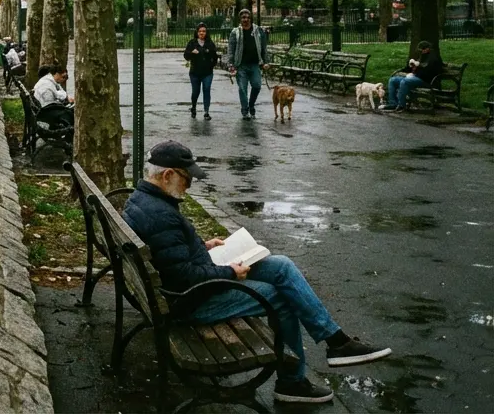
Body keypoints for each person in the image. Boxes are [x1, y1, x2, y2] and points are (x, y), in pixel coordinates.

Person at [123, 140, 392, 404]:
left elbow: (168, 253)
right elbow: (184, 277)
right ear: (168, 175)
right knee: (280, 297)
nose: (189, 185)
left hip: (181, 289)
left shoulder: (143, 199)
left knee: (280, 265)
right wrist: (230, 272)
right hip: (189, 302)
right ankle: (292, 382)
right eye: (187, 178)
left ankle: (336, 341)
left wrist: (202, 246)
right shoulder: (162, 214)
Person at [226, 9, 270, 119]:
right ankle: (245, 110)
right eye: (243, 17)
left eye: (248, 17)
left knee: (257, 85)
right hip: (241, 65)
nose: (246, 19)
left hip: (255, 64)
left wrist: (266, 62)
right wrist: (231, 65)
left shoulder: (258, 31)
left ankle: (251, 105)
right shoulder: (235, 32)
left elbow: (264, 48)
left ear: (251, 18)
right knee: (242, 88)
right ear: (240, 19)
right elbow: (231, 50)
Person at [383, 40, 444, 111]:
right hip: (416, 77)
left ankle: (401, 105)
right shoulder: (422, 55)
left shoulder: (434, 57)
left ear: (427, 48)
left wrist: (418, 67)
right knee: (393, 80)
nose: (421, 51)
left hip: (426, 80)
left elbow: (428, 70)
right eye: (420, 50)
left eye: (423, 49)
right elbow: (416, 66)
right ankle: (393, 103)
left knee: (404, 82)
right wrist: (410, 65)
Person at [183, 23, 219, 120]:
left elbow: (215, 57)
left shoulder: (210, 43)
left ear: (206, 33)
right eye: (200, 31)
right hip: (195, 73)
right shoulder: (192, 43)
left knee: (206, 89)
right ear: (197, 32)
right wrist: (191, 53)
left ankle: (206, 112)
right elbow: (186, 56)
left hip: (207, 73)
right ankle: (193, 107)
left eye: (203, 31)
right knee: (196, 91)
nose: (201, 33)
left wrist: (211, 65)